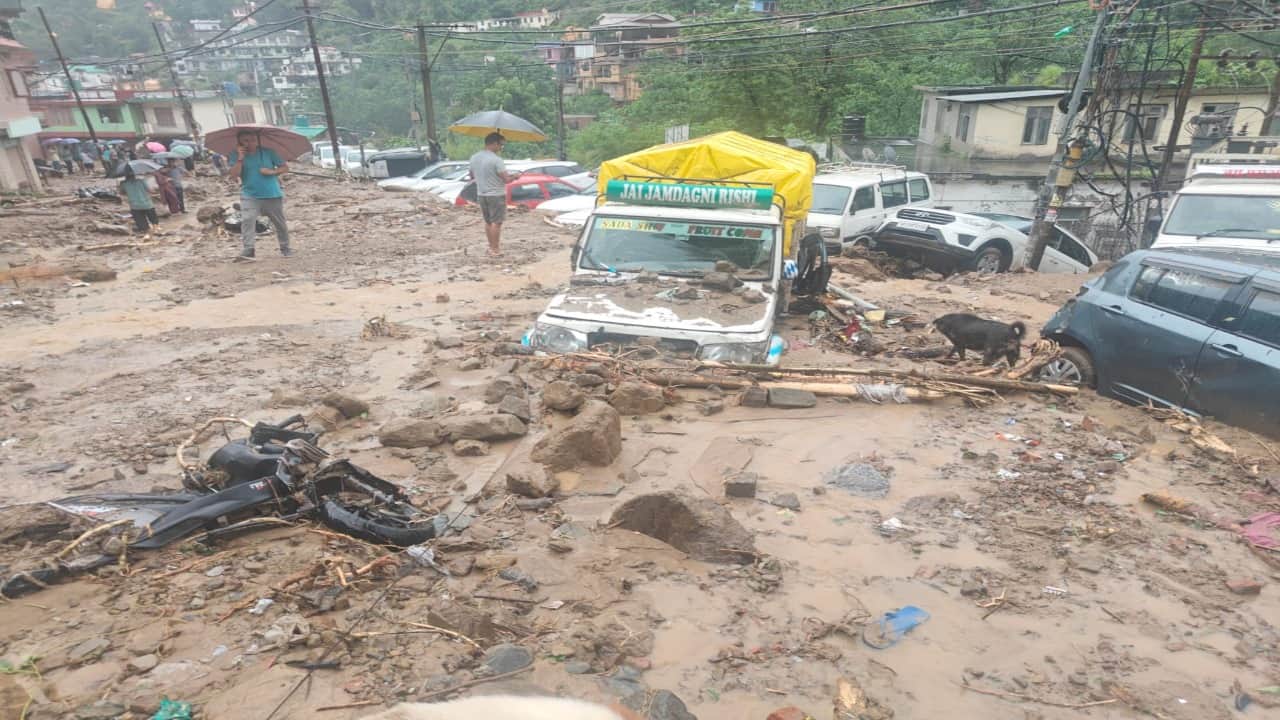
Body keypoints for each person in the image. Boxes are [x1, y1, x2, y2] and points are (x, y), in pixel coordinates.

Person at [227, 130, 291, 261]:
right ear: (239, 142)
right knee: (247, 220)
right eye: (246, 140)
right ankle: (248, 249)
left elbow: (284, 167)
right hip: (250, 194)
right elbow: (234, 175)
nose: (250, 143)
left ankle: (285, 247)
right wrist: (240, 159)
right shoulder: (234, 155)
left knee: (279, 223)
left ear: (257, 140)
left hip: (272, 193)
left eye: (252, 140)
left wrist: (272, 172)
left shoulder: (268, 152)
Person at [469, 132, 518, 257]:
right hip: (496, 194)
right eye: (501, 145)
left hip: (481, 194)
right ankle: (495, 249)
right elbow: (506, 179)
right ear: (494, 143)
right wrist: (515, 177)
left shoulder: (474, 157)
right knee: (497, 222)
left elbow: (472, 175)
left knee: (488, 222)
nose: (501, 148)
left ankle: (491, 246)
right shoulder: (496, 160)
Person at [118, 166, 157, 234]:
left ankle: (147, 232)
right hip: (147, 204)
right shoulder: (141, 181)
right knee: (154, 222)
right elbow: (150, 190)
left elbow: (121, 193)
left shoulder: (123, 183)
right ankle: (155, 231)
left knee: (143, 226)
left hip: (135, 206)